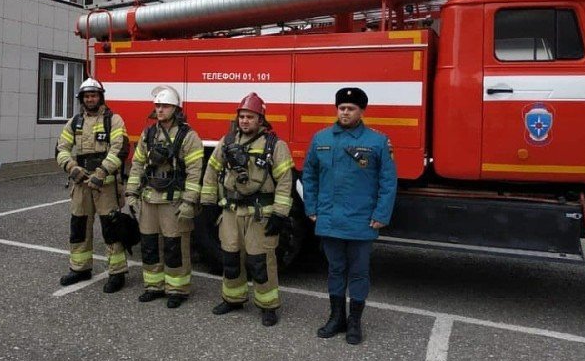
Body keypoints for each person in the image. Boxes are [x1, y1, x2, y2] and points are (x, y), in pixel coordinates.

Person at [302, 87, 397, 344]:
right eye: (342, 107)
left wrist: (381, 214)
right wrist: (310, 208)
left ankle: (354, 322)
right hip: (329, 219)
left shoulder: (377, 142)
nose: (345, 112)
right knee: (335, 270)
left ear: (362, 111)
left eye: (351, 108)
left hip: (361, 221)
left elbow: (388, 181)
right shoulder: (321, 138)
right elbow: (308, 175)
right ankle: (336, 318)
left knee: (358, 272)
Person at [201, 93, 294, 327]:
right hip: (231, 212)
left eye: (250, 117)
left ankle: (268, 306)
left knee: (261, 261)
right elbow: (212, 171)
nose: (244, 121)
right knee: (230, 257)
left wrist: (280, 214)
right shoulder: (228, 141)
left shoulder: (275, 146)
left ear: (261, 120)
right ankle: (233, 299)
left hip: (259, 214)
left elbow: (285, 181)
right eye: (242, 116)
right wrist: (208, 203)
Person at [125, 86, 203, 308]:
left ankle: (177, 289)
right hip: (149, 199)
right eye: (157, 106)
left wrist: (189, 201)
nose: (160, 110)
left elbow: (195, 171)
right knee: (149, 245)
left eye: (165, 106)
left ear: (176, 109)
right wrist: (131, 193)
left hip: (173, 201)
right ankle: (153, 286)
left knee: (174, 246)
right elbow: (137, 164)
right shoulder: (148, 134)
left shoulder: (188, 136)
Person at [56, 78, 129, 293]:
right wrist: (72, 168)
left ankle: (117, 273)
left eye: (94, 95)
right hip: (81, 184)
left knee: (111, 228)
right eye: (87, 96)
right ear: (82, 99)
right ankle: (80, 268)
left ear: (100, 97)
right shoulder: (75, 122)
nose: (90, 99)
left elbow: (120, 149)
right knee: (78, 226)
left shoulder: (113, 120)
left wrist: (102, 172)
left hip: (105, 185)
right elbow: (61, 148)